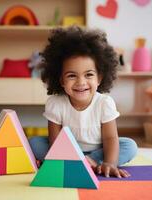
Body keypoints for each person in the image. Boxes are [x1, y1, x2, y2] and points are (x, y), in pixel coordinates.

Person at [29, 26, 137, 178]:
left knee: (129, 146)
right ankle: (80, 163)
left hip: (98, 150)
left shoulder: (104, 103)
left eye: (89, 75)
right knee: (34, 144)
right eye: (72, 76)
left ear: (99, 78)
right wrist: (58, 157)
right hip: (66, 150)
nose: (81, 82)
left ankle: (91, 161)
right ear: (60, 80)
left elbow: (110, 138)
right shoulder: (55, 103)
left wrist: (110, 163)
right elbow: (55, 140)